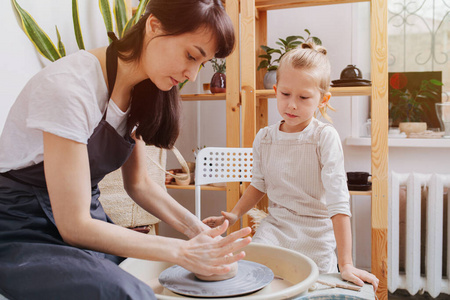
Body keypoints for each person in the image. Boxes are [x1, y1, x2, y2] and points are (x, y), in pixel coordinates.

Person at [0, 1, 252, 299]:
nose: (192, 75)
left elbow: (140, 184)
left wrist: (198, 233)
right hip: (20, 229)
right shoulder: (69, 88)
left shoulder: (140, 91)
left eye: (201, 63)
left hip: (87, 221)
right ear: (154, 26)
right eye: (190, 56)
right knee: (129, 293)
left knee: (160, 283)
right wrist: (183, 251)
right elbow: (73, 225)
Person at [203, 42, 379, 290]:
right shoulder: (264, 137)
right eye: (285, 94)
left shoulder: (323, 137)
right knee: (255, 280)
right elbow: (258, 185)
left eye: (304, 97)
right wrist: (233, 215)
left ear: (323, 99)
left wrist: (346, 263)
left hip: (316, 234)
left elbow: (339, 204)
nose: (292, 104)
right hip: (275, 229)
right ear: (275, 90)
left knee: (310, 289)